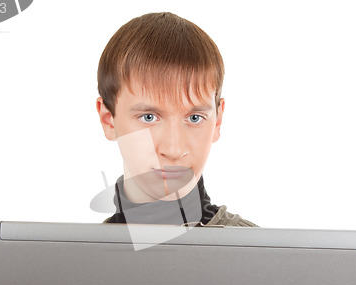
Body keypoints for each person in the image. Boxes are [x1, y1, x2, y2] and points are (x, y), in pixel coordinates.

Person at [96, 12, 258, 227]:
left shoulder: (260, 255)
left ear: (217, 122)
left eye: (194, 117)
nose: (173, 150)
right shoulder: (69, 259)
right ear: (109, 120)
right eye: (149, 117)